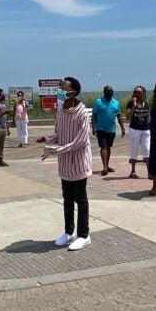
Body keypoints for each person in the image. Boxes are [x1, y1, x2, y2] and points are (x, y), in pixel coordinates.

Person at [37, 76, 93, 251]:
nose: (60, 90)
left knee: (80, 200)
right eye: (59, 86)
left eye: (64, 87)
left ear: (73, 92)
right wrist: (47, 138)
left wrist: (56, 150)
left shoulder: (82, 113)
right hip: (65, 164)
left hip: (78, 163)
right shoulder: (60, 109)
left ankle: (84, 235)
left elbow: (81, 141)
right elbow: (59, 133)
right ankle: (68, 232)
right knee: (67, 199)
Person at [91, 85, 125, 176]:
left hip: (111, 129)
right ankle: (105, 167)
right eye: (108, 91)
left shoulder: (116, 103)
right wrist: (94, 128)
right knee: (103, 147)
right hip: (101, 128)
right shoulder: (98, 102)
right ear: (104, 92)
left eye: (112, 91)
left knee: (108, 147)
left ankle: (107, 165)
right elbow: (94, 115)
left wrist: (122, 128)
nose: (110, 93)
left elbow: (119, 115)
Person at [125, 86, 150, 179]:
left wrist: (149, 125)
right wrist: (134, 105)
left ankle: (149, 172)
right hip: (134, 129)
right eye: (136, 92)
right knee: (134, 150)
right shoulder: (131, 103)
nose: (137, 94)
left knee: (146, 150)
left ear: (143, 93)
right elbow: (128, 116)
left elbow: (148, 116)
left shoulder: (146, 103)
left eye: (139, 92)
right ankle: (133, 171)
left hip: (145, 130)